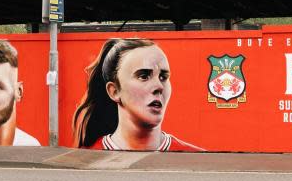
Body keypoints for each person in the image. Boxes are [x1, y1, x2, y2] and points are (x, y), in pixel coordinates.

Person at [73, 38, 202, 151]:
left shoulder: (196, 159)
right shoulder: (88, 158)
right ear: (114, 91)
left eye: (163, 77)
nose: (159, 86)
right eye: (144, 76)